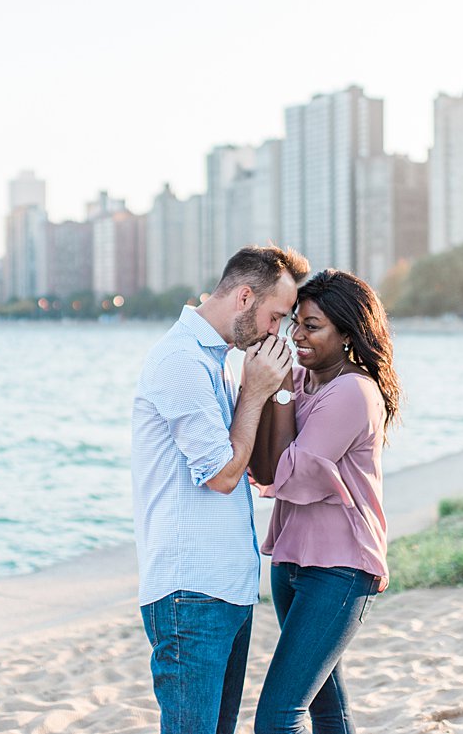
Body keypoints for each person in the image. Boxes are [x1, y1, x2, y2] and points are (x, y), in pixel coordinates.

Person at [131, 245, 310, 734]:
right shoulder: (180, 360)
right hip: (190, 594)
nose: (276, 331)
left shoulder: (221, 362)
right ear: (245, 297)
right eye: (275, 317)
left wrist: (276, 388)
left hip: (226, 591)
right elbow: (223, 474)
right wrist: (254, 390)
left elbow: (252, 466)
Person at [248, 268, 401, 734]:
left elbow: (287, 475)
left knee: (277, 718)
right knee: (326, 709)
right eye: (296, 323)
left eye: (312, 327)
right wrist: (273, 385)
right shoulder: (302, 380)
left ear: (348, 333)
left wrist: (274, 390)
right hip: (291, 563)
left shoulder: (353, 391)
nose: (297, 336)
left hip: (341, 569)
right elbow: (258, 463)